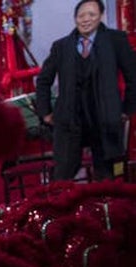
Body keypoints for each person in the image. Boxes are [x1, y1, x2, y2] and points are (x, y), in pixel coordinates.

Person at [36, 0, 136, 180]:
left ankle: (105, 208)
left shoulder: (116, 40)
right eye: (81, 15)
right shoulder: (61, 47)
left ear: (101, 16)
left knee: (106, 177)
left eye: (91, 14)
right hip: (69, 119)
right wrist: (45, 113)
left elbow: (133, 77)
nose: (86, 19)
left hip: (105, 118)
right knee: (62, 176)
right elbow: (43, 81)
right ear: (75, 19)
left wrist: (126, 110)